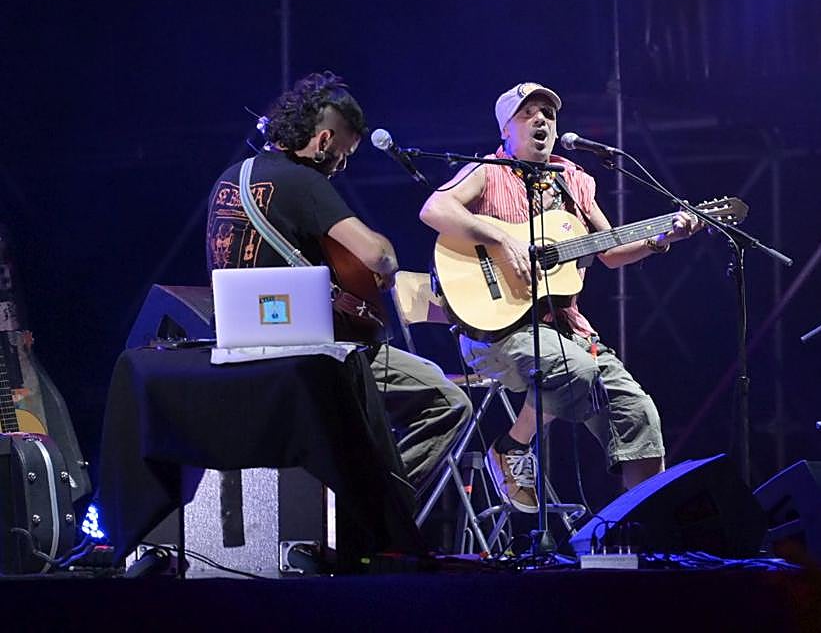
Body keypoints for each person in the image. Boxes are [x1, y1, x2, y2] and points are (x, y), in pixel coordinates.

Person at [419, 82, 702, 513]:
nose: (541, 121)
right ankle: (512, 444)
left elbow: (607, 250)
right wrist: (499, 236)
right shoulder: (487, 171)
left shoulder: (572, 180)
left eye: (548, 115)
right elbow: (434, 210)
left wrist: (661, 239)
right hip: (497, 330)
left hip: (566, 329)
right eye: (527, 113)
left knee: (638, 416)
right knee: (577, 370)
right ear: (506, 130)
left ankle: (647, 530)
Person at [206, 71, 470, 498]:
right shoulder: (303, 181)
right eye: (343, 155)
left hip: (240, 352)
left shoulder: (230, 179)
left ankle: (351, 500)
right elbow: (378, 256)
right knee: (448, 400)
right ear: (325, 140)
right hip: (311, 355)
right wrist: (384, 261)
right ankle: (377, 510)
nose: (341, 167)